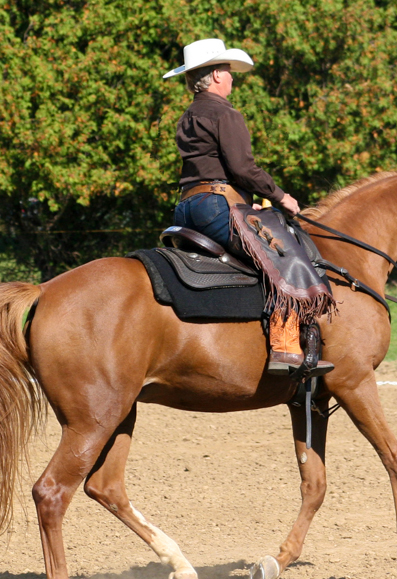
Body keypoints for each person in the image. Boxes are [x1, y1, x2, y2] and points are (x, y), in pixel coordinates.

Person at [163, 38, 333, 376]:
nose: (231, 77)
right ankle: (285, 346)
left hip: (186, 209)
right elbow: (243, 168)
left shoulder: (188, 116)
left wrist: (241, 197)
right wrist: (281, 196)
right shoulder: (225, 113)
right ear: (213, 77)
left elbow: (211, 167)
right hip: (215, 208)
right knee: (285, 253)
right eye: (226, 71)